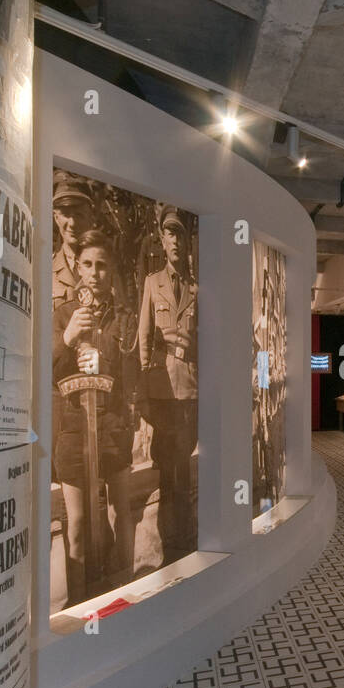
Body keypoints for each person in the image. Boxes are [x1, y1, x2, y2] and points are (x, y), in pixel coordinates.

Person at [52, 232, 139, 605]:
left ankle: (125, 591)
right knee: (79, 528)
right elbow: (48, 369)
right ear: (77, 268)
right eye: (87, 264)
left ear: (111, 271)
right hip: (73, 432)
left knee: (123, 514)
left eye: (102, 265)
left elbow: (132, 375)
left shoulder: (124, 319)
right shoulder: (61, 315)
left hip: (113, 429)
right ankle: (81, 604)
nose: (94, 273)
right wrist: (69, 337)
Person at [138, 205, 198, 561]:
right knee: (168, 472)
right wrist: (145, 393)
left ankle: (185, 543)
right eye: (170, 233)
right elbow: (143, 341)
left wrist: (196, 346)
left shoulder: (197, 288)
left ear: (188, 241)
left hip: (189, 392)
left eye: (181, 234)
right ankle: (172, 547)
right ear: (162, 239)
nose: (176, 240)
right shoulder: (151, 283)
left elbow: (208, 342)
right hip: (162, 395)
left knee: (183, 469)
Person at [51, 171, 99, 311]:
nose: (72, 223)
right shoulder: (45, 270)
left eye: (79, 214)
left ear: (91, 217)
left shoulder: (108, 268)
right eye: (66, 214)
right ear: (56, 218)